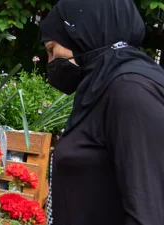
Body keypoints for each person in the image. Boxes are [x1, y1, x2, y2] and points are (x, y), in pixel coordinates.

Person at [39, 0, 164, 224]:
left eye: (51, 50)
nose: (50, 61)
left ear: (82, 36)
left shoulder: (130, 91)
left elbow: (149, 211)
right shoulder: (102, 88)